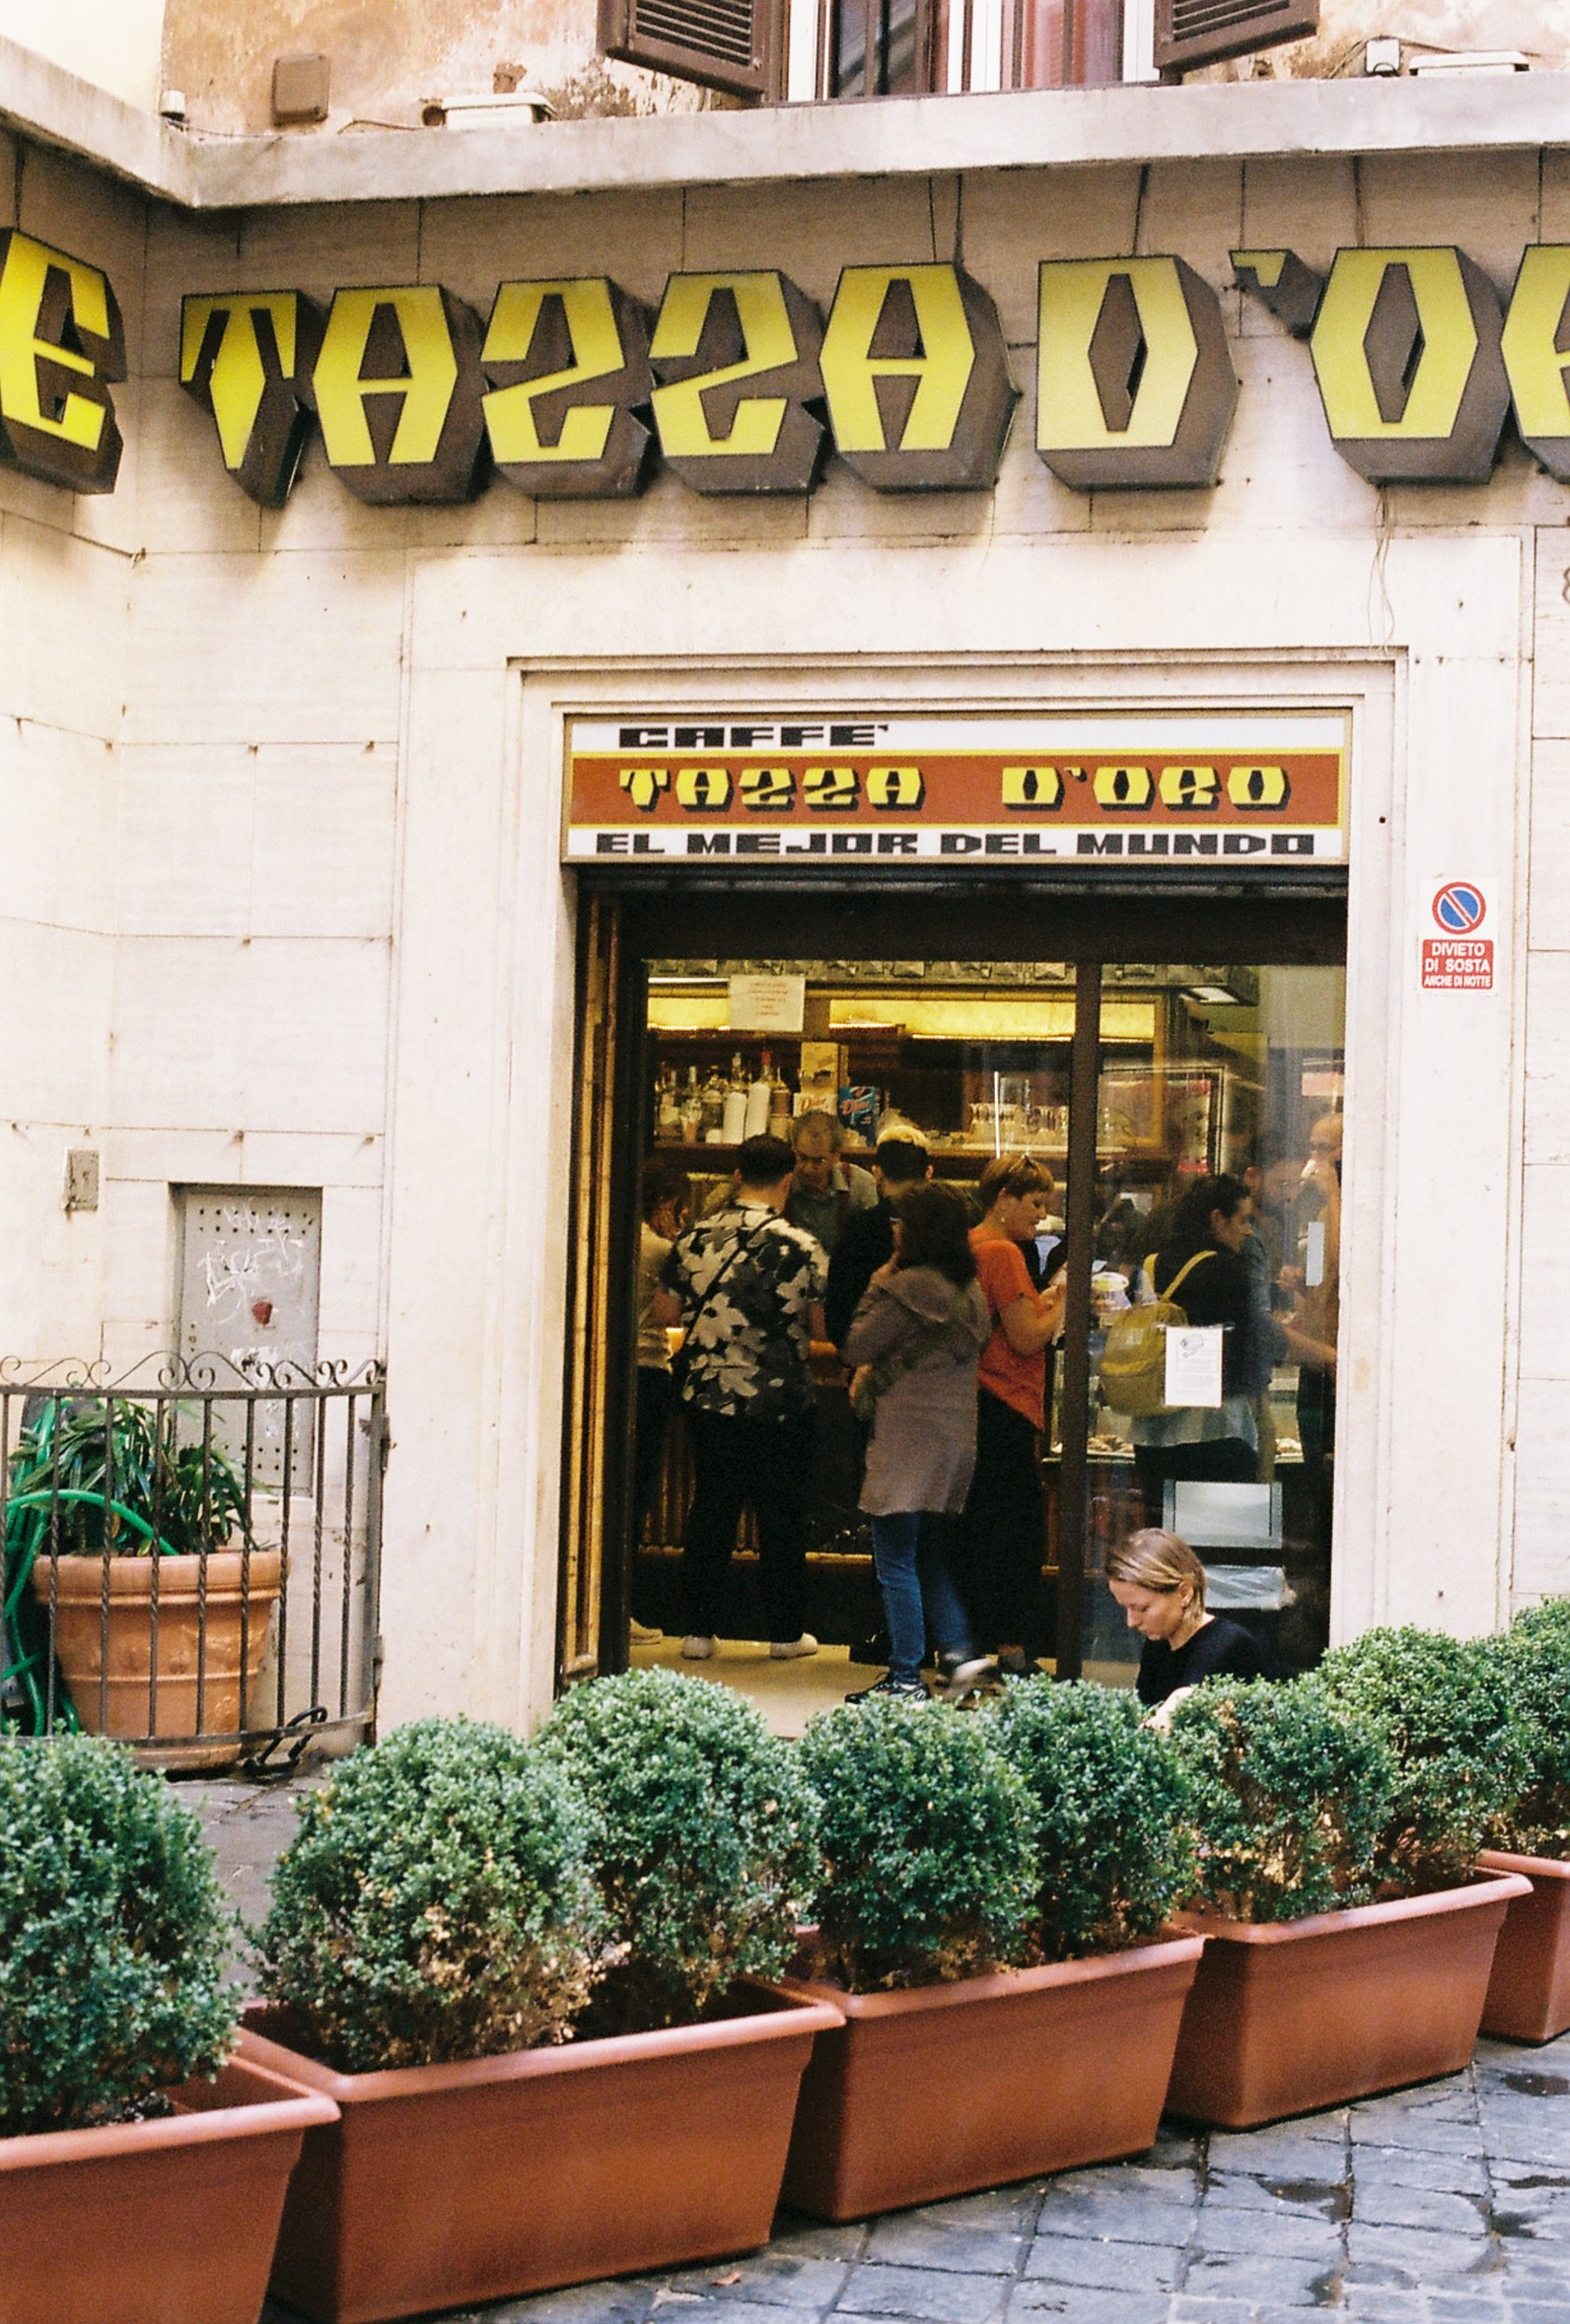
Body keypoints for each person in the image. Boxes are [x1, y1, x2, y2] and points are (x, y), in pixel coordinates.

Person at [655, 1133, 826, 1662]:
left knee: (712, 1507)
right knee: (781, 1514)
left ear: (735, 1176)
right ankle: (783, 1632)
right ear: (788, 1181)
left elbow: (665, 1313)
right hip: (781, 1399)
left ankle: (699, 1631)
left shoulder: (696, 1237)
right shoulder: (802, 1245)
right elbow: (818, 1327)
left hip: (710, 1395)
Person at [840, 1182, 994, 1702]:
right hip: (954, 1439)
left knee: (895, 1560)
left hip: (907, 1439)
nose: (895, 1231)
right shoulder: (969, 1292)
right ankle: (960, 1653)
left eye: (901, 1223)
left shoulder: (905, 1288)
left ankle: (906, 1676)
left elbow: (856, 1343)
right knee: (927, 1552)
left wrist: (878, 1278)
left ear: (918, 1231)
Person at [955, 1155, 1068, 1677]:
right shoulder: (1001, 1250)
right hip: (1005, 1402)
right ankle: (1012, 1648)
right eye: (1036, 1203)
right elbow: (1025, 1337)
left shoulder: (969, 1246)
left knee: (976, 1528)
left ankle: (968, 1642)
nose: (1042, 1217)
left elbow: (1005, 1321)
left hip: (972, 1401)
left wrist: (1041, 1302)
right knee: (1017, 1532)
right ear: (1004, 1198)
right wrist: (1067, 1300)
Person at [1129, 1172, 1260, 1526]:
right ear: (1217, 1218)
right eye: (1243, 1220)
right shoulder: (1230, 1272)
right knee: (1216, 1549)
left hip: (1152, 1431)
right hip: (1213, 1430)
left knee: (1167, 1547)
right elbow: (1249, 1351)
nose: (1247, 1231)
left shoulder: (1151, 1265)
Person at [1107, 1526, 1269, 1729]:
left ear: (1184, 1593)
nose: (1131, 1622)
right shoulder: (1158, 1645)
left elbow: (1179, 1707)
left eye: (1141, 1608)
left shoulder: (1231, 1644)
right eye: (1126, 1608)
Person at [629, 1155, 692, 1641]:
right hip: (649, 1371)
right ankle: (622, 1607)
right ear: (667, 1203)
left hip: (617, 1372)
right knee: (638, 1489)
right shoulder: (658, 1250)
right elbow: (677, 1312)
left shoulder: (616, 1237)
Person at [825, 1128, 932, 1350]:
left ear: (877, 1172)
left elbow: (838, 1318)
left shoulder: (859, 1229)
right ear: (928, 1173)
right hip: (937, 1366)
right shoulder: (947, 1228)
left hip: (872, 1359)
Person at [785, 1110, 877, 1254]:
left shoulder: (861, 1185)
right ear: (793, 1149)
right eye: (802, 1158)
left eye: (818, 1161)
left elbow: (874, 1245)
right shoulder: (781, 1182)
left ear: (836, 1156)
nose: (808, 1169)